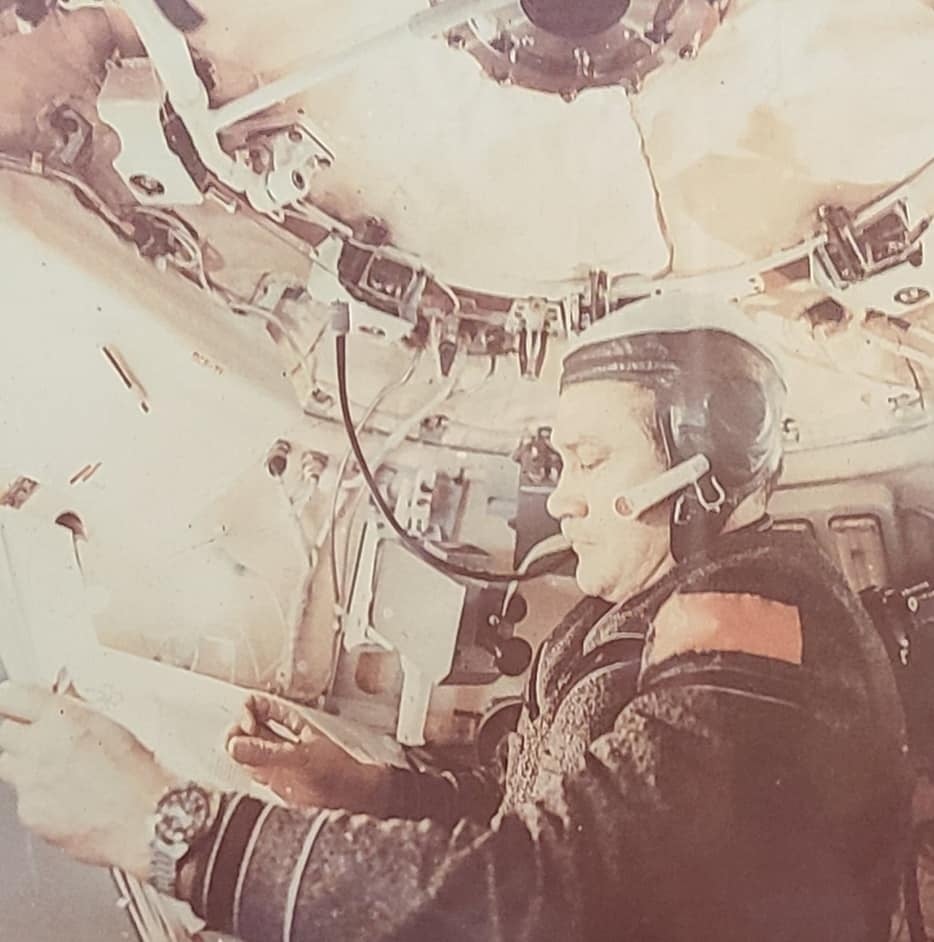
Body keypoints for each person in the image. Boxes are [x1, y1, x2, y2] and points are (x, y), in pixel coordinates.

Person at [0, 294, 911, 941]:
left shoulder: (759, 616)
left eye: (592, 459)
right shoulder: (622, 620)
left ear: (709, 456)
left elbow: (569, 893)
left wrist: (171, 828)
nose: (563, 500)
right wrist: (367, 789)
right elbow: (522, 800)